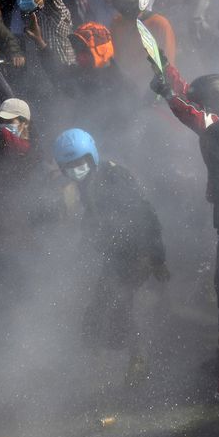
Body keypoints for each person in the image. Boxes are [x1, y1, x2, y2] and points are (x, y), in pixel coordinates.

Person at [53, 128, 170, 387]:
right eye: (70, 166)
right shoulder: (87, 184)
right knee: (103, 312)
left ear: (92, 158)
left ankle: (135, 362)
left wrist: (157, 258)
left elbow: (146, 214)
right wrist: (80, 251)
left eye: (80, 163)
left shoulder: (113, 177)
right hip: (115, 256)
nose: (76, 169)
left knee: (114, 308)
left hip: (135, 255)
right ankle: (117, 365)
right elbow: (94, 221)